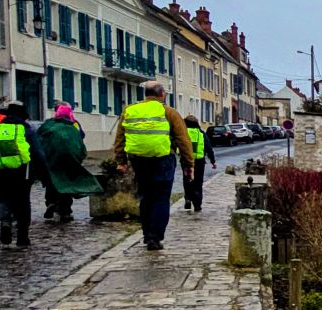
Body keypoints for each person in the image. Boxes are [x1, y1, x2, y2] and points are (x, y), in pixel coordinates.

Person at [113, 81, 196, 250]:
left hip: (139, 159)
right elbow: (183, 140)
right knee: (161, 198)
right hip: (163, 159)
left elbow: (120, 139)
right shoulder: (169, 112)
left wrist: (121, 161)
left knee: (146, 197)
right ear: (162, 94)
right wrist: (188, 164)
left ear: (145, 94)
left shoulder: (130, 110)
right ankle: (155, 238)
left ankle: (146, 234)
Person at [0, 103, 37, 247]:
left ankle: (5, 223)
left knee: (4, 197)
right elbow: (37, 152)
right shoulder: (25, 129)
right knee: (23, 202)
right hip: (21, 172)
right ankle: (22, 238)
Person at [37, 104, 102, 222]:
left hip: (52, 160)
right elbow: (80, 145)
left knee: (52, 182)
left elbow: (39, 140)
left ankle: (51, 203)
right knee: (67, 184)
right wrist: (78, 158)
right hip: (70, 160)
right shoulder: (73, 127)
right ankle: (65, 211)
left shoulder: (48, 125)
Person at [182, 116, 217, 212]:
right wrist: (213, 161)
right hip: (199, 161)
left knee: (187, 180)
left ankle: (188, 199)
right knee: (198, 182)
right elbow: (208, 148)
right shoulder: (201, 133)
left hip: (185, 161)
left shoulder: (183, 133)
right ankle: (197, 204)